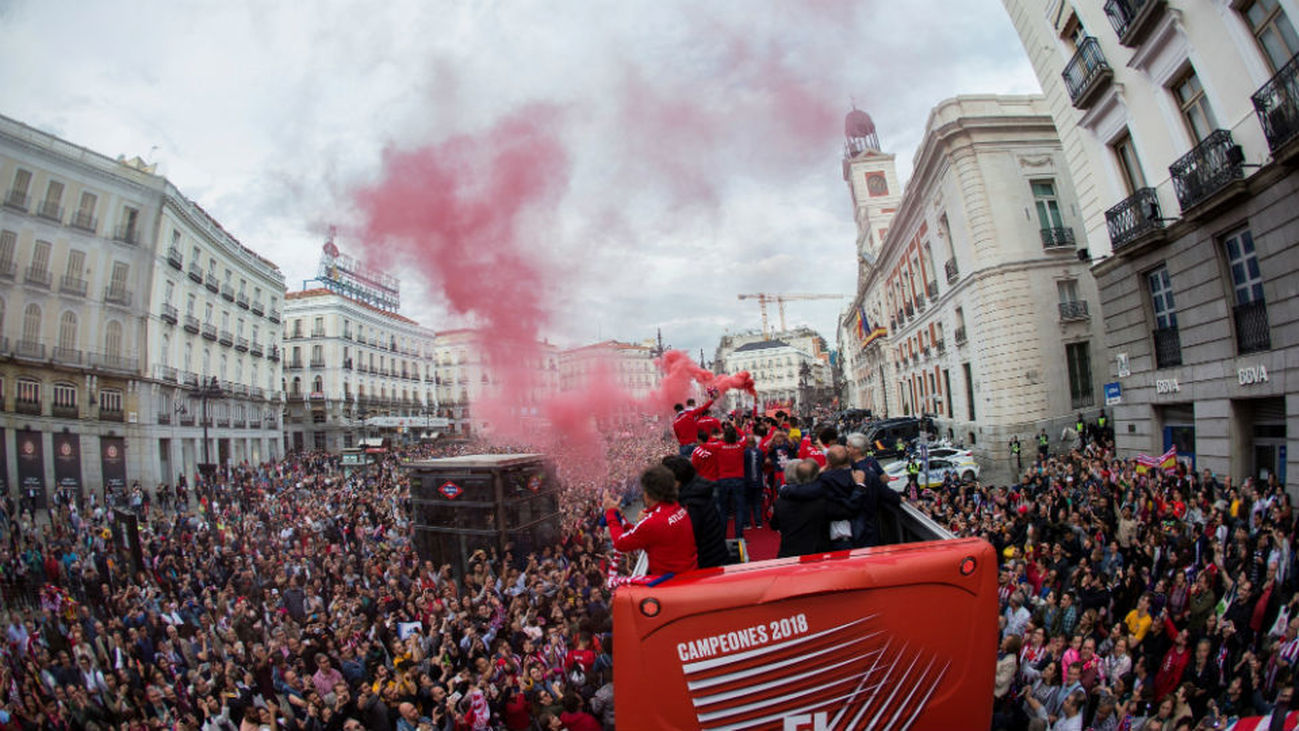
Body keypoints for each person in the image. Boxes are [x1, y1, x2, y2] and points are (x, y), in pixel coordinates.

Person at [603, 465, 697, 579]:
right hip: (688, 573)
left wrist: (611, 512)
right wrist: (622, 518)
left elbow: (620, 543)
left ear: (648, 494)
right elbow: (645, 534)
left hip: (671, 582)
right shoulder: (678, 509)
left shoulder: (653, 522)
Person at [661, 456, 729, 569]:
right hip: (712, 555)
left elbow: (685, 536)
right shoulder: (696, 490)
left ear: (677, 481)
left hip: (706, 563)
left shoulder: (692, 503)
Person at [770, 459, 832, 558]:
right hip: (815, 554)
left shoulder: (780, 502)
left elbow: (774, 525)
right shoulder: (821, 500)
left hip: (789, 553)